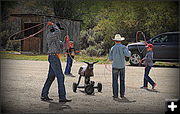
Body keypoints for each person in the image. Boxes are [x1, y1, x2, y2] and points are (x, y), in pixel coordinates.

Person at [41, 21, 72, 102]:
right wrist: (53, 24)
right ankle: (62, 97)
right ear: (54, 29)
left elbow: (63, 48)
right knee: (60, 76)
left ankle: (44, 94)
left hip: (54, 58)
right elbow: (58, 32)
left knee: (51, 77)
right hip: (53, 57)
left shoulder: (56, 38)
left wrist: (66, 42)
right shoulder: (50, 35)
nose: (60, 31)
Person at [109, 34, 131, 101]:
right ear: (120, 41)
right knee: (122, 80)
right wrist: (128, 50)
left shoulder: (112, 48)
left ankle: (115, 95)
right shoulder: (124, 47)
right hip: (122, 66)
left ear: (115, 41)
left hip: (115, 66)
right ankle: (122, 94)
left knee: (115, 81)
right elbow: (128, 55)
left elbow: (110, 58)